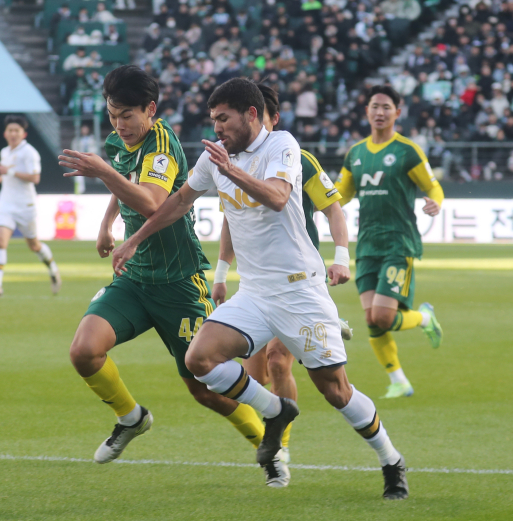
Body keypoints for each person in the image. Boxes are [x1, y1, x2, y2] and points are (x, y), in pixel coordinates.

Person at [111, 78, 409, 500]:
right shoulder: (215, 158)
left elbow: (276, 196)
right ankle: (276, 410)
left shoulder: (281, 145)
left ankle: (391, 460)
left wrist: (229, 169)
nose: (217, 129)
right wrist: (133, 240)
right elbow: (178, 202)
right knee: (200, 358)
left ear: (251, 114)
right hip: (254, 292)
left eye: (224, 119)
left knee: (335, 389)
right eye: (213, 120)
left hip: (299, 291)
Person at [59, 65, 266, 465]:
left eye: (127, 115)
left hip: (179, 283)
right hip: (135, 278)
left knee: (204, 389)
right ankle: (131, 418)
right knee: (84, 351)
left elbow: (152, 201)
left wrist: (101, 170)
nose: (119, 124)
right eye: (112, 115)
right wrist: (106, 224)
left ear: (149, 109)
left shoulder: (162, 145)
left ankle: (264, 439)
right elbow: (125, 181)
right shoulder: (122, 144)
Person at [211, 83, 353, 487]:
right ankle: (274, 437)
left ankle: (282, 451)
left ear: (266, 117)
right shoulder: (237, 161)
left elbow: (333, 210)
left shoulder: (297, 158)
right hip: (257, 283)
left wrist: (340, 260)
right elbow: (229, 222)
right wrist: (221, 275)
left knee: (277, 361)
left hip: (298, 282)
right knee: (253, 379)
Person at [335, 85, 444, 399]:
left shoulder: (408, 150)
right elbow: (343, 193)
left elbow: (433, 186)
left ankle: (425, 317)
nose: (379, 112)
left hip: (399, 243)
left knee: (383, 315)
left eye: (386, 107)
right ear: (366, 111)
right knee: (372, 319)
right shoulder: (355, 153)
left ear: (398, 111)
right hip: (367, 244)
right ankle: (399, 380)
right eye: (374, 106)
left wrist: (435, 202)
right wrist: (320, 199)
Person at [0, 116, 61, 297]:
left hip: (26, 205)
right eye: (10, 130)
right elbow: (7, 174)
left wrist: (9, 171)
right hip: (6, 203)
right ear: (5, 133)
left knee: (34, 245)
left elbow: (35, 178)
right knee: (0, 241)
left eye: (16, 131)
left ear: (23, 134)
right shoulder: (4, 152)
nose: (12, 134)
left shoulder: (30, 153)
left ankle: (52, 268)